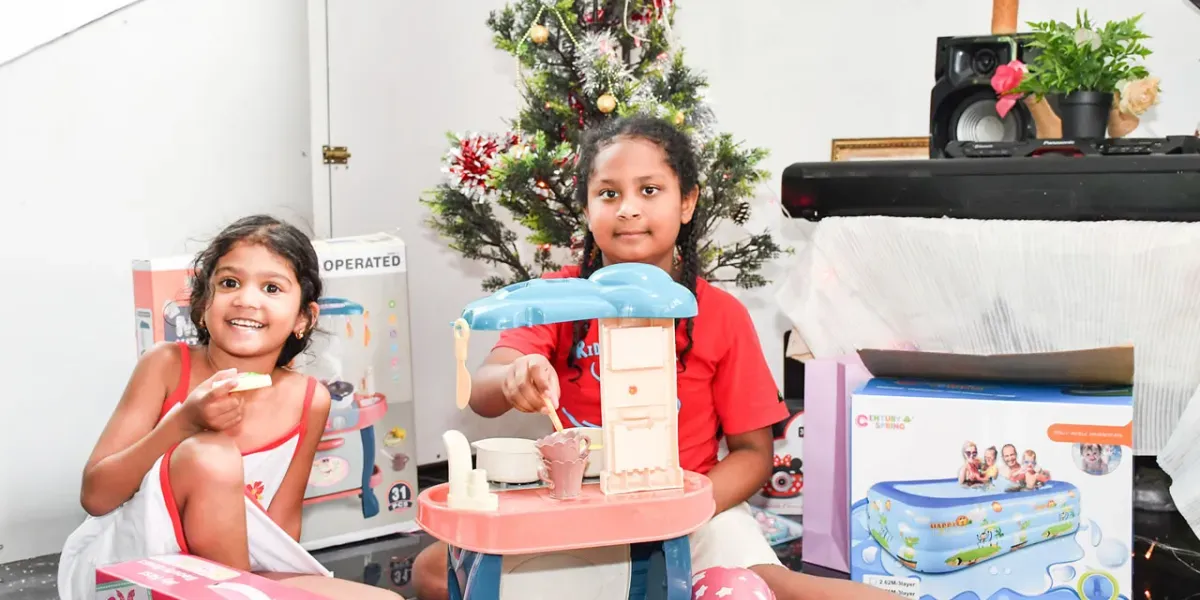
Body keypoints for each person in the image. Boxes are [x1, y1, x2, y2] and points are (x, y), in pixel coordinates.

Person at [411, 115, 899, 600]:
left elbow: (753, 455)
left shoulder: (721, 314)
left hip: (695, 511)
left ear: (686, 202)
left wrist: (683, 508)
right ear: (586, 208)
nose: (627, 209)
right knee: (436, 571)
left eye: (649, 190)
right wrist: (514, 376)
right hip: (576, 514)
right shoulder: (559, 298)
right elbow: (484, 390)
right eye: (607, 193)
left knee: (761, 587)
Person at [58, 215, 401, 600]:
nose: (246, 299)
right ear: (204, 303)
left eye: (272, 287)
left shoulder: (309, 399)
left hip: (235, 573)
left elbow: (280, 532)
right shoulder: (166, 365)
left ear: (304, 318)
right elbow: (96, 496)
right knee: (211, 455)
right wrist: (183, 424)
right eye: (229, 283)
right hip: (132, 565)